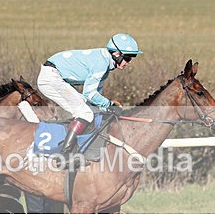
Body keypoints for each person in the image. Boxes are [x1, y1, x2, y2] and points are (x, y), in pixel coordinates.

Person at [37, 33, 141, 161]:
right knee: (85, 114)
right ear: (116, 54)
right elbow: (89, 94)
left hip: (56, 77)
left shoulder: (105, 66)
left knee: (91, 111)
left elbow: (96, 98)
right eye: (128, 58)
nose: (129, 63)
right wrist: (109, 105)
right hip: (51, 78)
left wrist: (107, 108)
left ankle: (75, 147)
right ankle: (64, 154)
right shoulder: (101, 63)